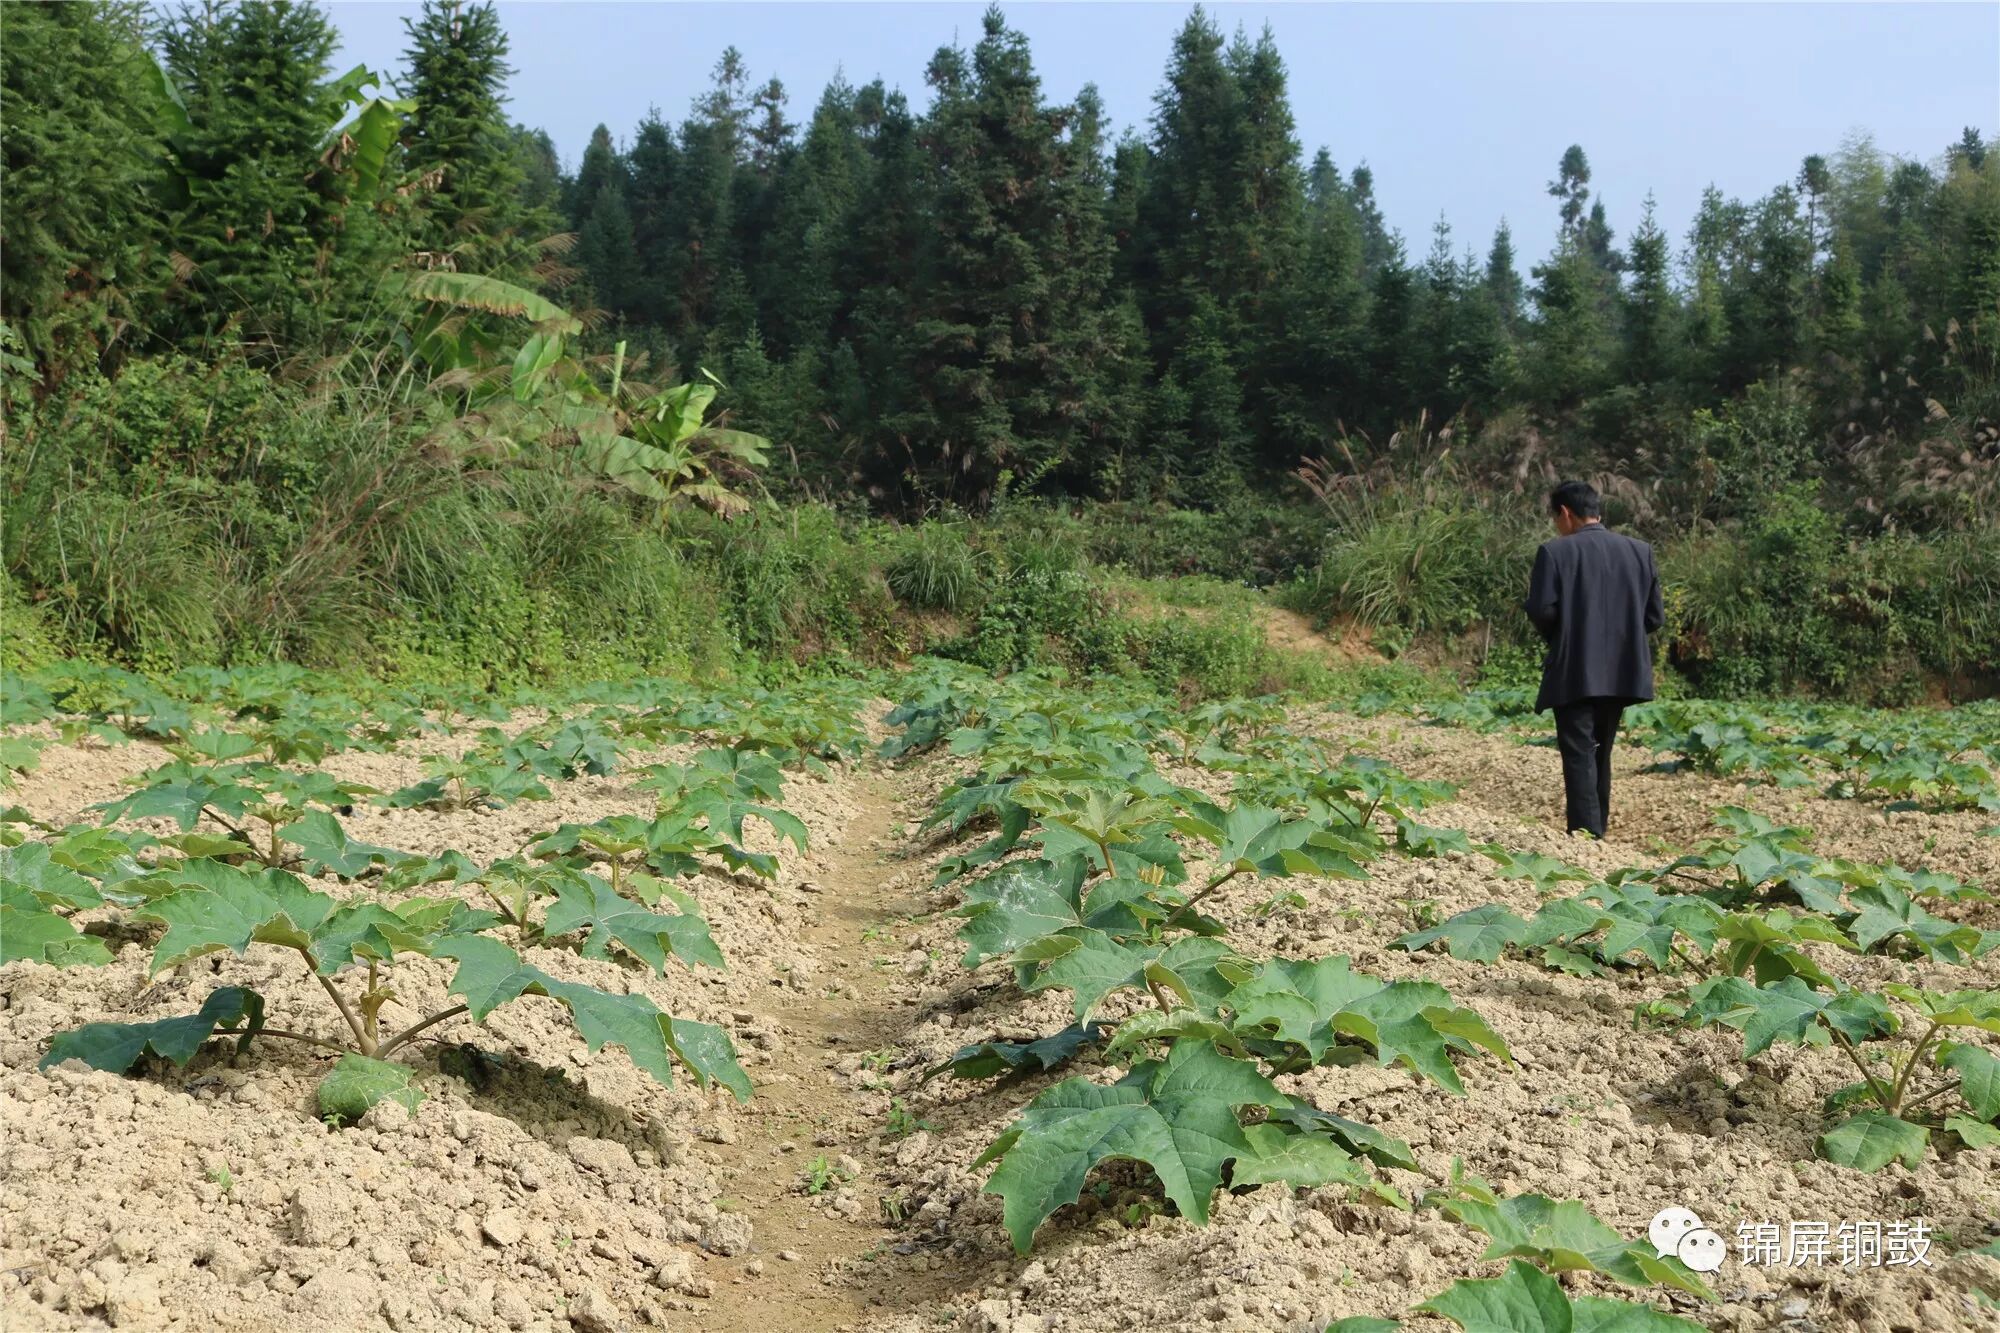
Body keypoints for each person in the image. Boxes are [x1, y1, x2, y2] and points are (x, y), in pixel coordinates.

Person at [1523, 479, 1664, 838]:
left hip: (1574, 669)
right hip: (1622, 670)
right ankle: (1597, 829)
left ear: (1566, 513)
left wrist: (1568, 633)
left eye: (1557, 518)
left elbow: (1541, 610)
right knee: (1602, 749)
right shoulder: (1639, 551)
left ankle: (1587, 838)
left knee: (1579, 752)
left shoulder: (1555, 552)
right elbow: (1653, 618)